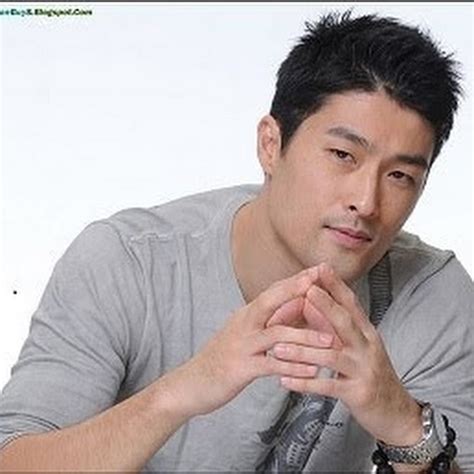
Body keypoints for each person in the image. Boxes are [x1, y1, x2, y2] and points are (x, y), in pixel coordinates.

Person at [0, 10, 472, 473]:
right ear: (271, 145)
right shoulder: (126, 264)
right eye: (343, 155)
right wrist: (182, 390)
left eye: (400, 176)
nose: (366, 202)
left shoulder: (430, 294)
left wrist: (405, 426)